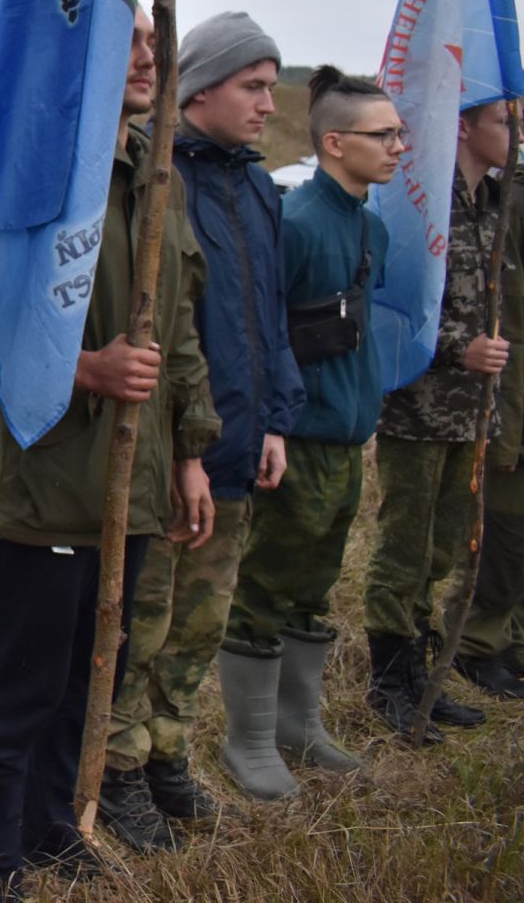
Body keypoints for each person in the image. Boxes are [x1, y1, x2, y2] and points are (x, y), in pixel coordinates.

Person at [0, 5, 219, 900]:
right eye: (129, 41)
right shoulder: (39, 177)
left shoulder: (155, 176)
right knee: (22, 689)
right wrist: (81, 369)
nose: (150, 56)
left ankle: (55, 829)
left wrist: (188, 453)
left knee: (88, 678)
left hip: (136, 485)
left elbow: (177, 335)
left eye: (155, 41)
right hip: (55, 483)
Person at [100, 13, 305, 840]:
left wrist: (276, 420)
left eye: (272, 87)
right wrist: (187, 438)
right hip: (168, 445)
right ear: (206, 86)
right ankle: (116, 765)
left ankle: (167, 751)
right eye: (254, 86)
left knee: (200, 623)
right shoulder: (154, 173)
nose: (267, 104)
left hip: (241, 442)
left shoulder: (256, 184)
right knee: (143, 619)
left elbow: (270, 314)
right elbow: (175, 324)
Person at [220, 67, 398, 779]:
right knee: (266, 584)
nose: (395, 146)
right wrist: (271, 427)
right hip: (297, 440)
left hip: (349, 441)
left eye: (398, 133)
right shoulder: (295, 224)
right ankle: (251, 741)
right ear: (333, 142)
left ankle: (300, 728)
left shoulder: (371, 228)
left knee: (315, 587)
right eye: (381, 135)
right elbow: (262, 333)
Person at [362, 96, 512, 738]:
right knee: (405, 545)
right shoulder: (424, 201)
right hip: (420, 405)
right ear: (464, 126)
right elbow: (395, 298)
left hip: (471, 411)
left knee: (445, 545)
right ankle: (389, 683)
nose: (517, 133)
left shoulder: (491, 205)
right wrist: (459, 344)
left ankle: (420, 676)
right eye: (507, 121)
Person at [454, 151, 524, 700]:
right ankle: (480, 641)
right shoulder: (511, 204)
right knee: (504, 532)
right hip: (512, 399)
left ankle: (512, 638)